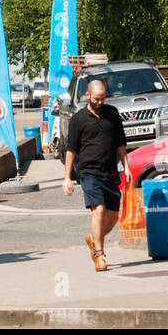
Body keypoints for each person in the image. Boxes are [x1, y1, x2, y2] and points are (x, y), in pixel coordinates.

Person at [62, 78, 127, 271]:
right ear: (87, 95)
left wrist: (127, 167)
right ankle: (99, 254)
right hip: (89, 172)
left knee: (113, 217)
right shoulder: (78, 119)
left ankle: (93, 238)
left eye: (103, 99)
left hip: (111, 172)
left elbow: (120, 144)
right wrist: (67, 178)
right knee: (98, 209)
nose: (100, 102)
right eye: (97, 99)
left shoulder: (112, 114)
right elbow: (71, 149)